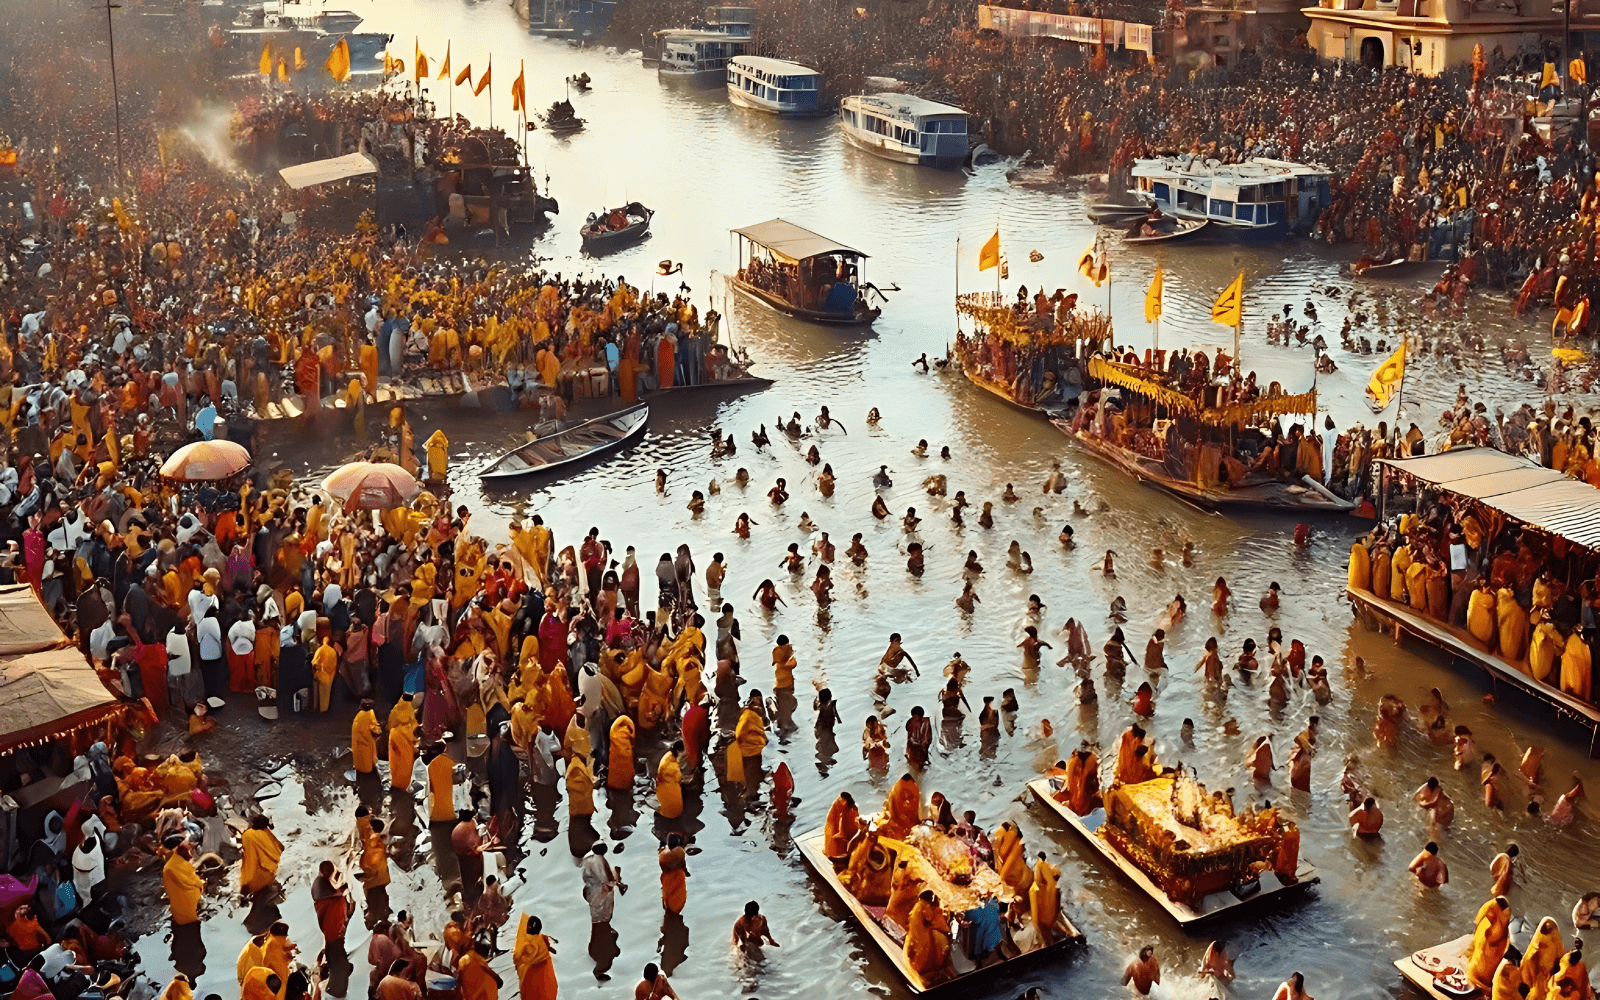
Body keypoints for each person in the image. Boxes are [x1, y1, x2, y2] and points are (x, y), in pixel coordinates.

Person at [513, 915, 558, 1000]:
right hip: (547, 973)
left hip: (532, 975)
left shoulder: (528, 943)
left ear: (529, 927)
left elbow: (520, 957)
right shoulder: (542, 938)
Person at [239, 814, 284, 897]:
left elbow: (250, 862)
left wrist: (245, 884)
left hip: (258, 879)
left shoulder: (248, 835)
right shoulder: (266, 832)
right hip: (272, 872)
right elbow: (280, 847)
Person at [582, 843, 622, 924]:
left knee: (594, 908)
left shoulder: (587, 859)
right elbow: (605, 877)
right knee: (601, 911)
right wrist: (615, 882)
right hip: (600, 889)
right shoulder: (600, 860)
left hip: (590, 888)